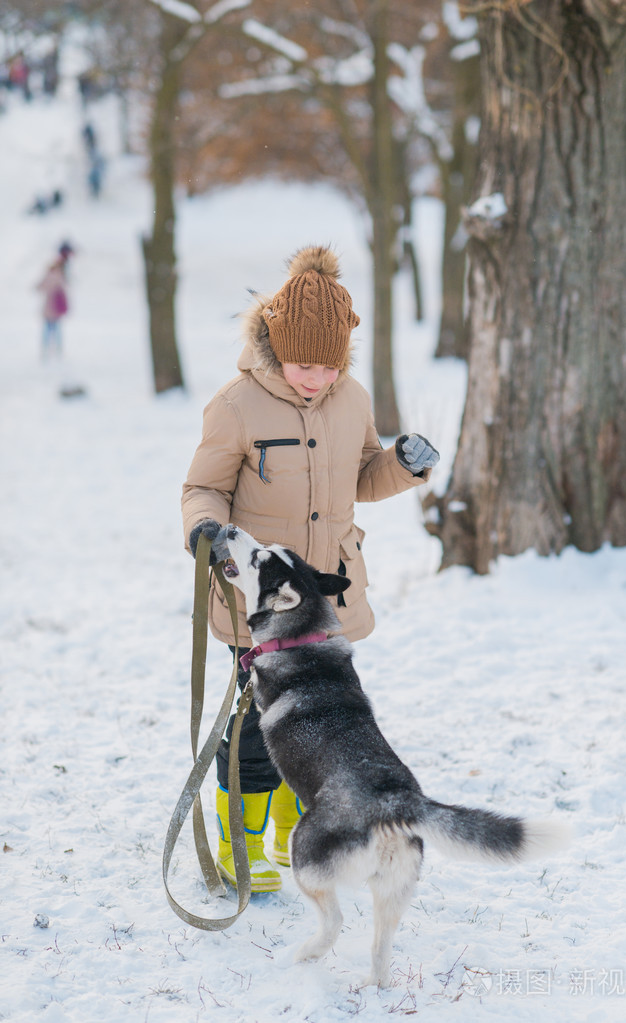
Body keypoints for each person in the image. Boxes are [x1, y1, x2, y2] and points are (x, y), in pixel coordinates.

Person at [181, 245, 440, 893]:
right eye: (304, 364)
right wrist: (204, 531)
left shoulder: (350, 398)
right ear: (273, 343)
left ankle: (290, 836)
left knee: (315, 734)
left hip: (327, 603)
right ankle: (239, 845)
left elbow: (363, 476)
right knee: (250, 733)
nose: (316, 378)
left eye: (329, 366)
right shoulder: (237, 405)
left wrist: (404, 465)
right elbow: (201, 487)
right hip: (257, 602)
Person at [36, 242, 74, 359]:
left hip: (49, 306)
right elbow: (65, 289)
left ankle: (46, 347)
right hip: (56, 307)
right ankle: (58, 347)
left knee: (48, 329)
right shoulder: (60, 277)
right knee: (56, 329)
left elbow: (40, 287)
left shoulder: (49, 276)